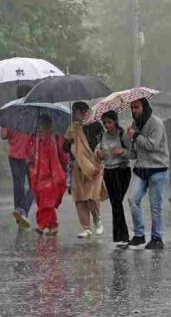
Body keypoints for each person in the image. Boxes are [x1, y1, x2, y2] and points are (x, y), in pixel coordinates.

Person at [127, 98, 170, 250]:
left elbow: (152, 145)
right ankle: (139, 235)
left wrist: (136, 136)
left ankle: (157, 238)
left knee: (155, 206)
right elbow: (133, 153)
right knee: (133, 199)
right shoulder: (134, 125)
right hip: (141, 168)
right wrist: (128, 142)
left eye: (136, 107)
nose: (134, 110)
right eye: (131, 107)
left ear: (144, 107)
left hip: (157, 168)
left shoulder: (156, 123)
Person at [64, 102, 105, 239]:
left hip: (93, 165)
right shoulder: (73, 128)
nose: (74, 115)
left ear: (83, 112)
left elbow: (101, 144)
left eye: (75, 112)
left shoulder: (96, 125)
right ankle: (86, 227)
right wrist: (68, 138)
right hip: (77, 167)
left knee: (92, 196)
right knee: (80, 198)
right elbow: (65, 148)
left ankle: (98, 221)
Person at [95, 110, 133, 246]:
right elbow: (97, 152)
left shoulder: (123, 136)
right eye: (104, 123)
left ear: (115, 121)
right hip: (109, 172)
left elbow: (133, 154)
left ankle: (122, 236)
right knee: (115, 204)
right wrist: (98, 155)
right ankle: (121, 237)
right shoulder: (101, 137)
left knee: (117, 203)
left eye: (109, 122)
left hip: (122, 172)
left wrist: (122, 151)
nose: (107, 125)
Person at [29, 114, 68, 236]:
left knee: (47, 203)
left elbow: (62, 155)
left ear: (48, 126)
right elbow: (32, 156)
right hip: (38, 176)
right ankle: (53, 226)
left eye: (41, 125)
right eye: (38, 126)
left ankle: (41, 225)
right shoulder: (37, 140)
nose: (39, 128)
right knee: (43, 202)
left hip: (52, 176)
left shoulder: (54, 139)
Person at [1, 85, 34, 229]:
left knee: (18, 185)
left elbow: (3, 135)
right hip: (30, 155)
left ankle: (19, 213)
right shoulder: (33, 113)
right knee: (35, 186)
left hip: (14, 154)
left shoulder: (9, 113)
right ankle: (23, 211)